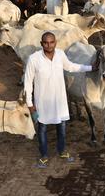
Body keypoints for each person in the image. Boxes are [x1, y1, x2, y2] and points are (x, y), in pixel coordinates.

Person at [24, 32, 98, 168]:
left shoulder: (60, 55)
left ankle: (62, 151)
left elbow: (71, 66)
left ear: (55, 42)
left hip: (60, 101)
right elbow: (28, 83)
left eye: (51, 42)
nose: (49, 45)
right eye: (46, 43)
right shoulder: (33, 59)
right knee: (42, 129)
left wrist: (91, 67)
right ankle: (44, 155)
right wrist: (30, 104)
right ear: (41, 44)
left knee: (62, 128)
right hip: (42, 102)